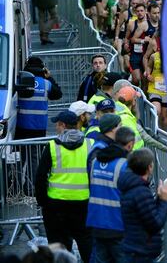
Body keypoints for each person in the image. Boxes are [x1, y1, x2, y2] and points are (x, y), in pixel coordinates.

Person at [34, 110, 92, 263]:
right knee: (85, 241)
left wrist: (42, 201)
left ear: (63, 125)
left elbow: (40, 176)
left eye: (57, 125)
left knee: (58, 244)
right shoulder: (88, 144)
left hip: (56, 204)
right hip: (82, 202)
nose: (56, 129)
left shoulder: (53, 146)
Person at [87, 126, 136, 263]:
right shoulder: (125, 165)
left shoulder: (96, 161)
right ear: (130, 144)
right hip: (118, 225)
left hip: (97, 222)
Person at [118, 148, 167, 263]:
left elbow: (147, 215)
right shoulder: (141, 192)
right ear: (149, 167)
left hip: (134, 248)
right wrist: (164, 199)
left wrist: (159, 198)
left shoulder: (132, 186)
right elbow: (155, 223)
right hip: (139, 252)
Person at [16, 56, 63, 139]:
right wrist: (49, 77)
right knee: (38, 150)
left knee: (23, 150)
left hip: (22, 125)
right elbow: (58, 94)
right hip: (39, 126)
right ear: (42, 69)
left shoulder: (20, 81)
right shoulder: (46, 83)